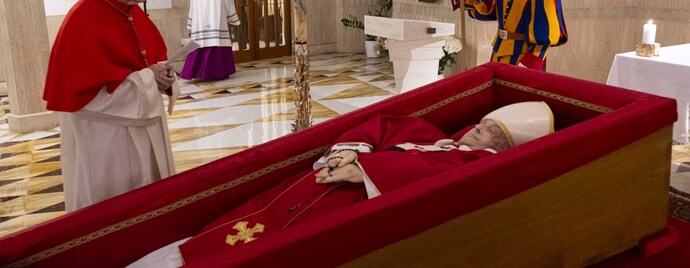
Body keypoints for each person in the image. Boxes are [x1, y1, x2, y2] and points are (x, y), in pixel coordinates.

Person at [129, 101, 553, 267]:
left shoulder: (479, 165)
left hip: (352, 204)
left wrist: (371, 173)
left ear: (505, 147)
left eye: (488, 132)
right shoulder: (436, 136)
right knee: (250, 214)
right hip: (319, 182)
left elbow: (443, 181)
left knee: (273, 244)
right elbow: (384, 125)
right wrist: (350, 152)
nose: (474, 131)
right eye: (479, 124)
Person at [43, 0, 178, 212]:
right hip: (107, 137)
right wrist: (147, 79)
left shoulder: (130, 10)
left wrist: (164, 77)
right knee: (117, 208)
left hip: (144, 126)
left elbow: (152, 60)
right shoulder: (81, 20)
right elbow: (85, 99)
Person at [180, 0, 241, 80]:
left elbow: (192, 6)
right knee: (217, 42)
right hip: (217, 20)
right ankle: (219, 72)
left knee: (200, 44)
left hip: (200, 23)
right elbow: (229, 2)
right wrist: (232, 18)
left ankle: (198, 73)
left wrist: (191, 23)